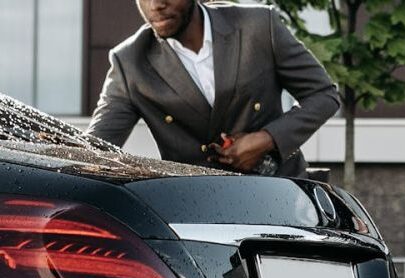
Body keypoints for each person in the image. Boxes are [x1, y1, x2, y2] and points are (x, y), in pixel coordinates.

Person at [87, 0, 340, 178]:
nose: (155, 4)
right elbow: (92, 149)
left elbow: (323, 94)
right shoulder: (130, 62)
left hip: (283, 192)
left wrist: (265, 139)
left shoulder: (259, 26)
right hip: (200, 211)